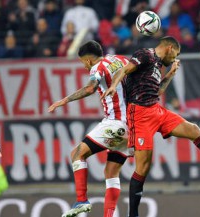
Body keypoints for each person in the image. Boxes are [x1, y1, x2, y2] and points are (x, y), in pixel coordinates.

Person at [102, 36, 200, 217]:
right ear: (169, 48)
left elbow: (158, 91)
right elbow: (125, 69)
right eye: (176, 53)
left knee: (193, 130)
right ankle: (134, 215)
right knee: (143, 167)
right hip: (139, 114)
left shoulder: (158, 66)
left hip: (156, 109)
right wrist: (114, 86)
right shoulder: (145, 54)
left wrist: (169, 74)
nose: (175, 58)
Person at [48, 40, 132, 217]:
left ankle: (81, 200)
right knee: (111, 172)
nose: (85, 67)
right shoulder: (121, 60)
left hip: (115, 122)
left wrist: (64, 100)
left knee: (77, 154)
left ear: (87, 60)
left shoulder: (97, 67)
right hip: (132, 127)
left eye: (82, 63)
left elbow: (90, 88)